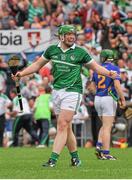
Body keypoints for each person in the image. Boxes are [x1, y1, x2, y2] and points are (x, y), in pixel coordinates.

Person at [12, 25, 118, 167]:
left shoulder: (81, 52)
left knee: (62, 125)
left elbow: (96, 67)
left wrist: (108, 73)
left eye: (73, 34)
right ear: (61, 36)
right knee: (66, 128)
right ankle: (75, 158)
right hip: (57, 92)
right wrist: (22, 73)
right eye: (68, 34)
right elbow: (37, 65)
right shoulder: (52, 50)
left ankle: (53, 160)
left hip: (73, 91)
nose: (72, 37)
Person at [91, 49, 126, 160]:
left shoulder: (97, 68)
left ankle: (99, 145)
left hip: (98, 98)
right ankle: (106, 153)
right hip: (108, 99)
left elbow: (91, 87)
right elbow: (117, 85)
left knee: (105, 125)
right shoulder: (115, 68)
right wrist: (122, 99)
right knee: (107, 127)